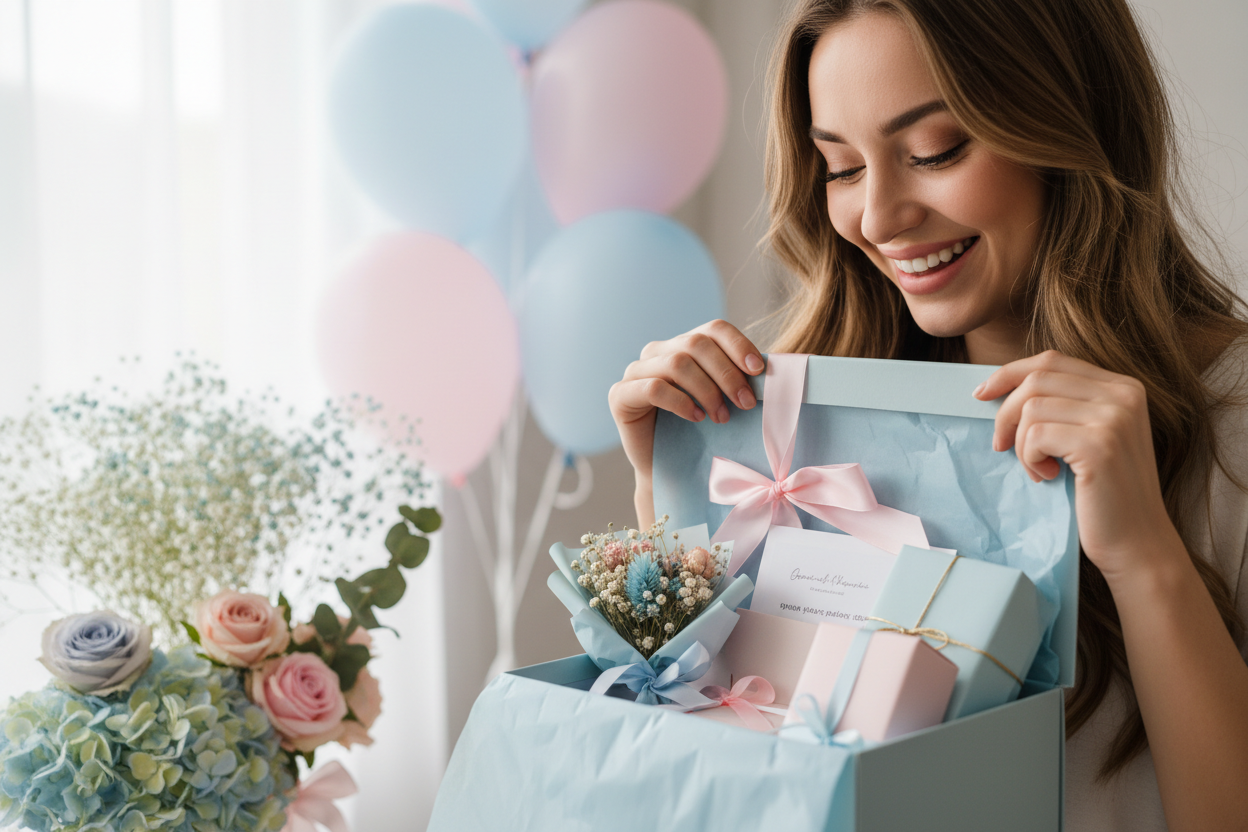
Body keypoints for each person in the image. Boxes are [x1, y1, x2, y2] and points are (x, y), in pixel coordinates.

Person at [607, 0, 1248, 829]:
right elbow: (714, 753)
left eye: (933, 151)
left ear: (1070, 119)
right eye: (839, 167)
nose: (877, 218)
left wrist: (1145, 559)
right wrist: (669, 483)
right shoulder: (802, 426)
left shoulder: (1231, 420)